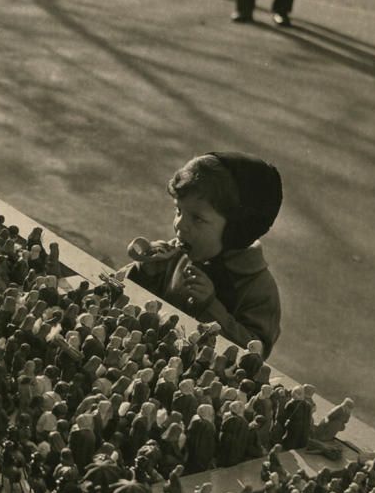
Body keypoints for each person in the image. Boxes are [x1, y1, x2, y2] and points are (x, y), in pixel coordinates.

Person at [120, 152, 283, 357]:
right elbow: (118, 297)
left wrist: (210, 308)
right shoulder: (176, 255)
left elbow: (255, 355)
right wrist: (145, 271)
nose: (180, 224)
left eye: (197, 218)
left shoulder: (258, 288)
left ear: (234, 231)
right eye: (179, 210)